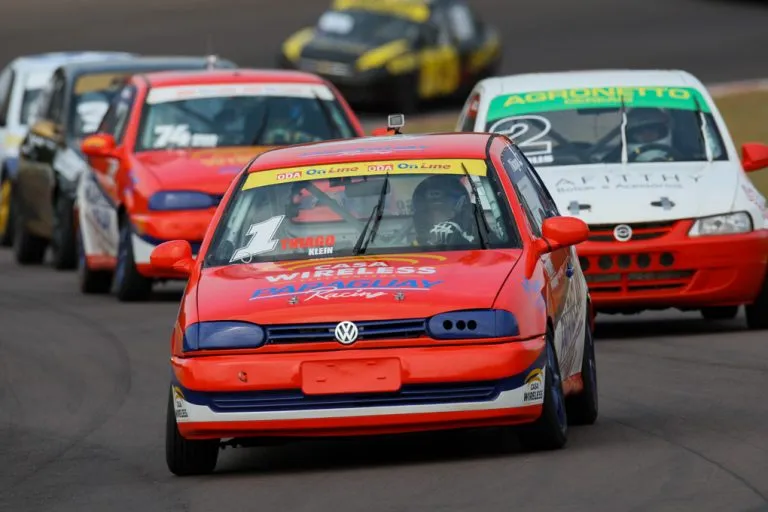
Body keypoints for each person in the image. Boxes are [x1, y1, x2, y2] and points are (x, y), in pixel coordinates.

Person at [411, 174, 478, 246]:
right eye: (433, 211)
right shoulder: (412, 246)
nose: (440, 223)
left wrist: (460, 241)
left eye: (442, 211)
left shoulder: (478, 235)